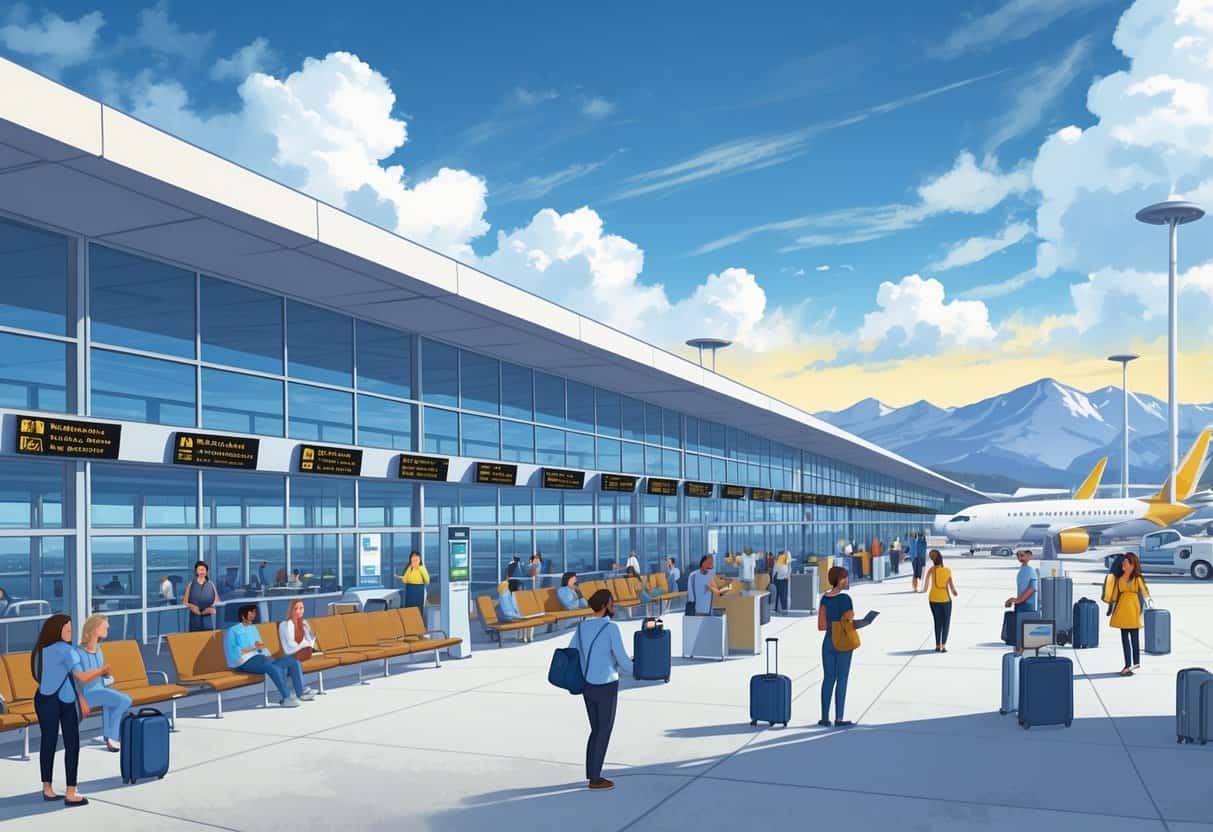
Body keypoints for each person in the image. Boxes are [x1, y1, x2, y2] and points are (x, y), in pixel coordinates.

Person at [32, 614, 106, 806]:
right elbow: (81, 677)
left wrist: (80, 698)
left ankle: (47, 789)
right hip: (55, 700)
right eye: (68, 630)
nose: (71, 633)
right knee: (71, 744)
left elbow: (69, 678)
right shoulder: (66, 650)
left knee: (48, 742)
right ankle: (70, 792)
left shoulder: (44, 649)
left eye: (72, 630)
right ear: (57, 631)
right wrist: (102, 670)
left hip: (51, 699)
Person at [568, 589, 633, 791]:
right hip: (606, 684)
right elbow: (622, 659)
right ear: (605, 605)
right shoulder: (611, 628)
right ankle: (595, 779)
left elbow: (572, 652)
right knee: (604, 730)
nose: (614, 606)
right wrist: (636, 669)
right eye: (612, 603)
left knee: (595, 730)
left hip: (587, 685)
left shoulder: (581, 628)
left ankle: (592, 773)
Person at [223, 604, 312, 706]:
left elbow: (261, 645)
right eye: (251, 612)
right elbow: (234, 653)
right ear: (243, 615)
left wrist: (267, 654)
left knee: (293, 660)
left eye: (254, 612)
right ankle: (287, 697)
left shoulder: (253, 628)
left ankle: (301, 693)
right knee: (272, 666)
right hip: (243, 662)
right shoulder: (232, 631)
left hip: (261, 658)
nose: (254, 614)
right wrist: (255, 648)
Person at [75, 615, 132, 752]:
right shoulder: (77, 652)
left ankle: (109, 739)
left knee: (110, 702)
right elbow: (81, 679)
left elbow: (101, 678)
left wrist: (108, 676)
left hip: (100, 690)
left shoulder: (99, 651)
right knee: (125, 700)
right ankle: (111, 736)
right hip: (86, 694)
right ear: (94, 629)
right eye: (104, 626)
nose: (108, 628)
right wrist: (101, 671)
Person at [818, 566, 856, 729]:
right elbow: (849, 619)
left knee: (828, 679)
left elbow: (821, 626)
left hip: (828, 642)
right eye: (844, 578)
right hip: (843, 642)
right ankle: (839, 718)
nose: (846, 581)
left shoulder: (824, 599)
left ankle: (824, 718)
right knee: (842, 679)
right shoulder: (845, 599)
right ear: (837, 580)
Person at [1109, 552, 1152, 676]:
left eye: (1125, 564)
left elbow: (1145, 592)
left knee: (1134, 639)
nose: (1123, 566)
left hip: (1133, 608)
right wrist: (1110, 606)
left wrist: (1150, 604)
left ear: (1132, 565)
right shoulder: (1120, 580)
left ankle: (1135, 662)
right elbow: (1114, 595)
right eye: (1122, 564)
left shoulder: (1137, 579)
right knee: (1125, 639)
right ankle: (1128, 664)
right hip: (1123, 609)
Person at [278, 600, 319, 700]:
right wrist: (304, 644)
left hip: (301, 651)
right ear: (291, 610)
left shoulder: (303, 623)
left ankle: (299, 687)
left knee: (298, 659)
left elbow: (310, 639)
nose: (299, 611)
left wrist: (309, 638)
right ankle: (301, 693)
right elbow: (289, 645)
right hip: (289, 652)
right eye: (296, 608)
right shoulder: (285, 624)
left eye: (301, 608)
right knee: (295, 662)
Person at [925, 550, 958, 652]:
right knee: (946, 622)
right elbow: (952, 587)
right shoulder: (947, 571)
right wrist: (954, 592)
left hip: (933, 599)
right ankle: (943, 645)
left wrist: (922, 590)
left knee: (937, 622)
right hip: (945, 600)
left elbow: (925, 586)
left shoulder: (931, 570)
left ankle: (937, 645)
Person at [183, 560, 219, 631]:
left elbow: (217, 601)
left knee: (208, 638)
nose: (202, 572)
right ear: (196, 571)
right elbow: (185, 602)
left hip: (207, 617)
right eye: (199, 570)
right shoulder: (191, 584)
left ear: (206, 571)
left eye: (203, 569)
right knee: (195, 638)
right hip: (195, 617)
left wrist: (212, 608)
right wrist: (193, 606)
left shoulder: (211, 584)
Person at [1004, 549, 1038, 613]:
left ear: (1029, 556)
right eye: (1018, 556)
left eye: (1022, 555)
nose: (1020, 558)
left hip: (1028, 605)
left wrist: (1017, 600)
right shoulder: (1022, 570)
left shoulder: (1030, 571)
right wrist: (1016, 601)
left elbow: (1032, 588)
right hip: (1021, 604)